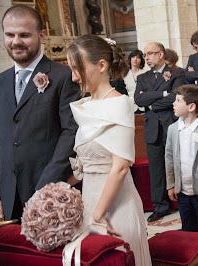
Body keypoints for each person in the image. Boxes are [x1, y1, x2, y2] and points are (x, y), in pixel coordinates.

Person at [66, 35, 151, 266]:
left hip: (115, 206)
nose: (74, 77)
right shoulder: (86, 105)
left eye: (77, 69)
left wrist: (98, 215)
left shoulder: (119, 103)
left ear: (101, 65)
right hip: (90, 201)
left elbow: (121, 167)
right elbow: (86, 164)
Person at [0, 5, 80, 220]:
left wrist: (46, 185)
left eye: (24, 35)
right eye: (9, 35)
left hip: (49, 193)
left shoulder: (63, 77)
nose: (16, 42)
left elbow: (70, 132)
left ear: (41, 35)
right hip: (7, 196)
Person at [135, 42, 185, 222]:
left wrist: (152, 100)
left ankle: (182, 201)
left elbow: (176, 97)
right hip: (152, 128)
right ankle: (160, 205)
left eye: (150, 53)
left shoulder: (177, 73)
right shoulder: (143, 78)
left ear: (161, 54)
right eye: (145, 54)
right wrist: (163, 94)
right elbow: (139, 100)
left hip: (170, 124)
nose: (146, 57)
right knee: (156, 169)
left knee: (176, 163)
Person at [165, 85, 198, 234]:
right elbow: (168, 157)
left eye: (178, 100)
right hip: (182, 190)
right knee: (188, 228)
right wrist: (171, 184)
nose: (173, 104)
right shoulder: (173, 129)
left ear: (191, 106)